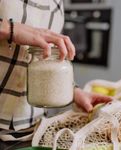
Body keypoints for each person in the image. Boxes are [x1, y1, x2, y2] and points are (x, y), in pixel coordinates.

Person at [0, 0, 111, 141]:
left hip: (33, 127)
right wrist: (10, 29)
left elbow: (49, 58)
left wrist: (73, 91)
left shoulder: (57, 3)